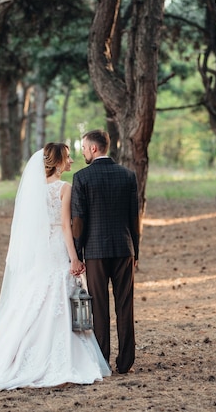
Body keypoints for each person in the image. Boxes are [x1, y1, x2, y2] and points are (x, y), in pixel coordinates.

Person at [0, 143, 111, 393]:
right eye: (67, 158)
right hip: (58, 248)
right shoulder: (64, 188)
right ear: (57, 162)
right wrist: (75, 258)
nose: (71, 162)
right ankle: (60, 358)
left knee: (38, 298)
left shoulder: (35, 190)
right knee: (58, 295)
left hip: (41, 252)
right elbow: (66, 227)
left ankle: (20, 351)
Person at [71, 129, 140, 375]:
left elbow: (78, 220)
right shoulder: (128, 175)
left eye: (83, 148)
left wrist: (77, 254)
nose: (82, 152)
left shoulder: (82, 178)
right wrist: (136, 251)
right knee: (125, 305)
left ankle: (102, 363)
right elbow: (135, 218)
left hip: (96, 251)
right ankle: (126, 363)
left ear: (93, 148)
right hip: (124, 249)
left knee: (99, 307)